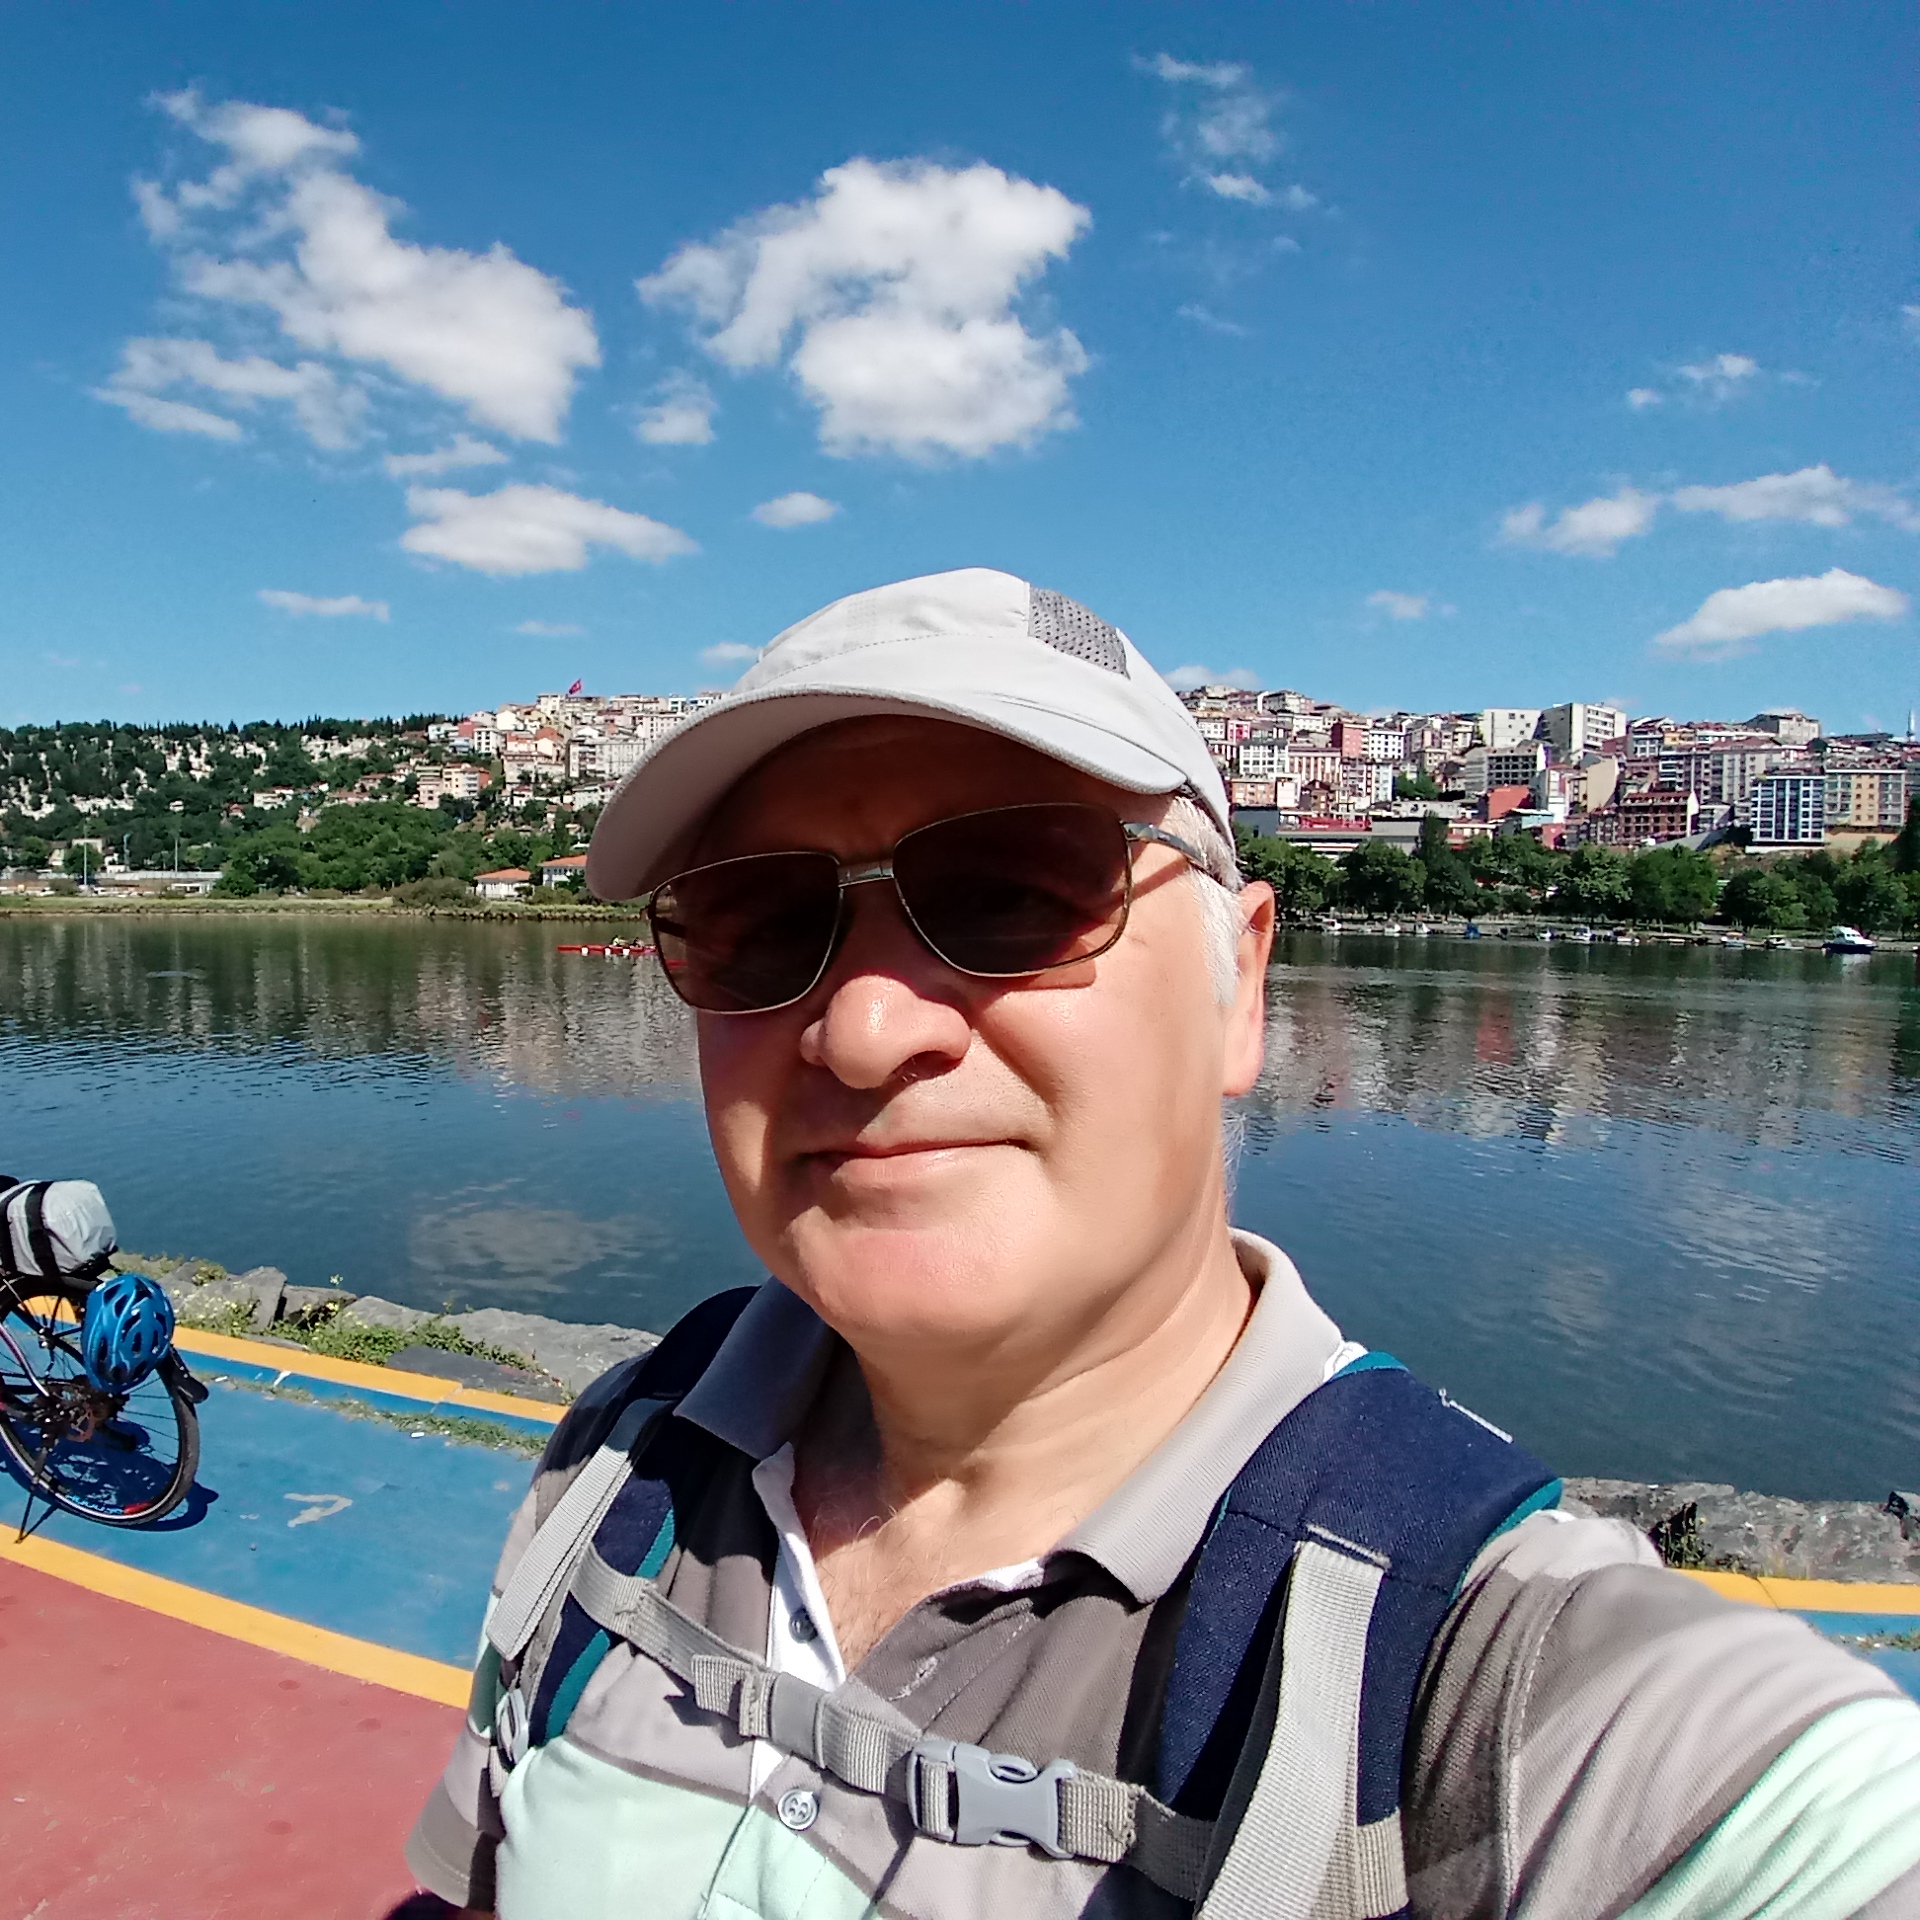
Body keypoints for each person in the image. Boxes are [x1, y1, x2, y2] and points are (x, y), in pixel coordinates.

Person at [404, 569, 1920, 1919]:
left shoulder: (1493, 1691)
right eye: (752, 921)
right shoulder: (626, 1463)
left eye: (1007, 894)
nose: (862, 1029)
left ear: (1238, 988)